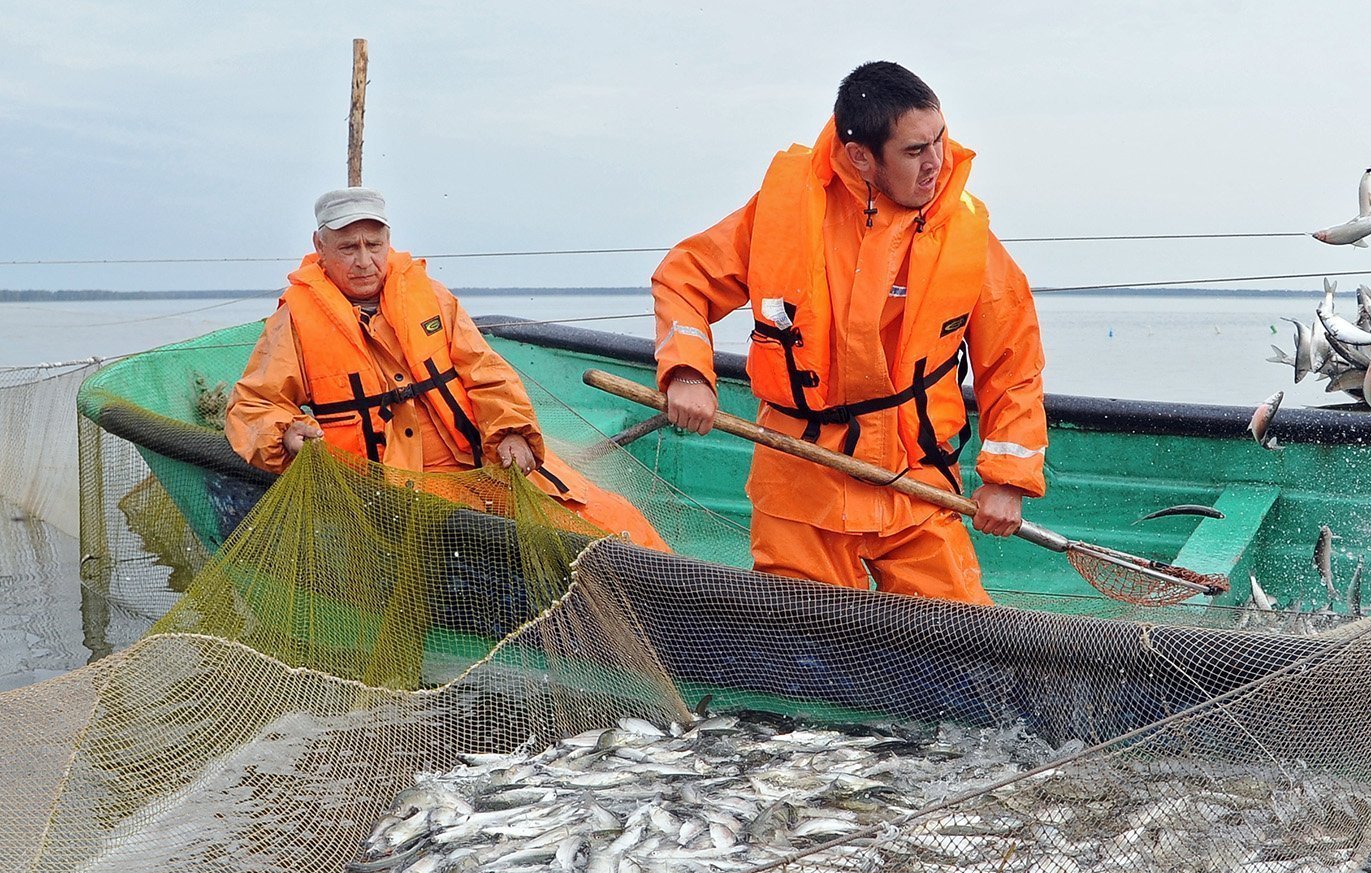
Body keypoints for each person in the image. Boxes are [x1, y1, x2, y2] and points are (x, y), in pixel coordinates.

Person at [651, 61, 1048, 605]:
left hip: (917, 483)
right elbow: (686, 278)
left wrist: (1007, 479)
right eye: (914, 151)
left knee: (964, 643)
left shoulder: (968, 236)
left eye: (940, 139)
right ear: (861, 156)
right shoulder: (784, 211)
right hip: (801, 484)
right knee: (807, 652)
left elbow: (1014, 364)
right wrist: (687, 372)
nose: (937, 163)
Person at [227, 188, 667, 549]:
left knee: (614, 518)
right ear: (320, 248)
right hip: (389, 492)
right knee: (535, 544)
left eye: (373, 245)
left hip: (486, 465)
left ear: (388, 242)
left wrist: (512, 431)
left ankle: (703, 608)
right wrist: (283, 433)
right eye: (348, 248)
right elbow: (252, 407)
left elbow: (487, 373)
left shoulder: (433, 298)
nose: (364, 261)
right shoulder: (294, 321)